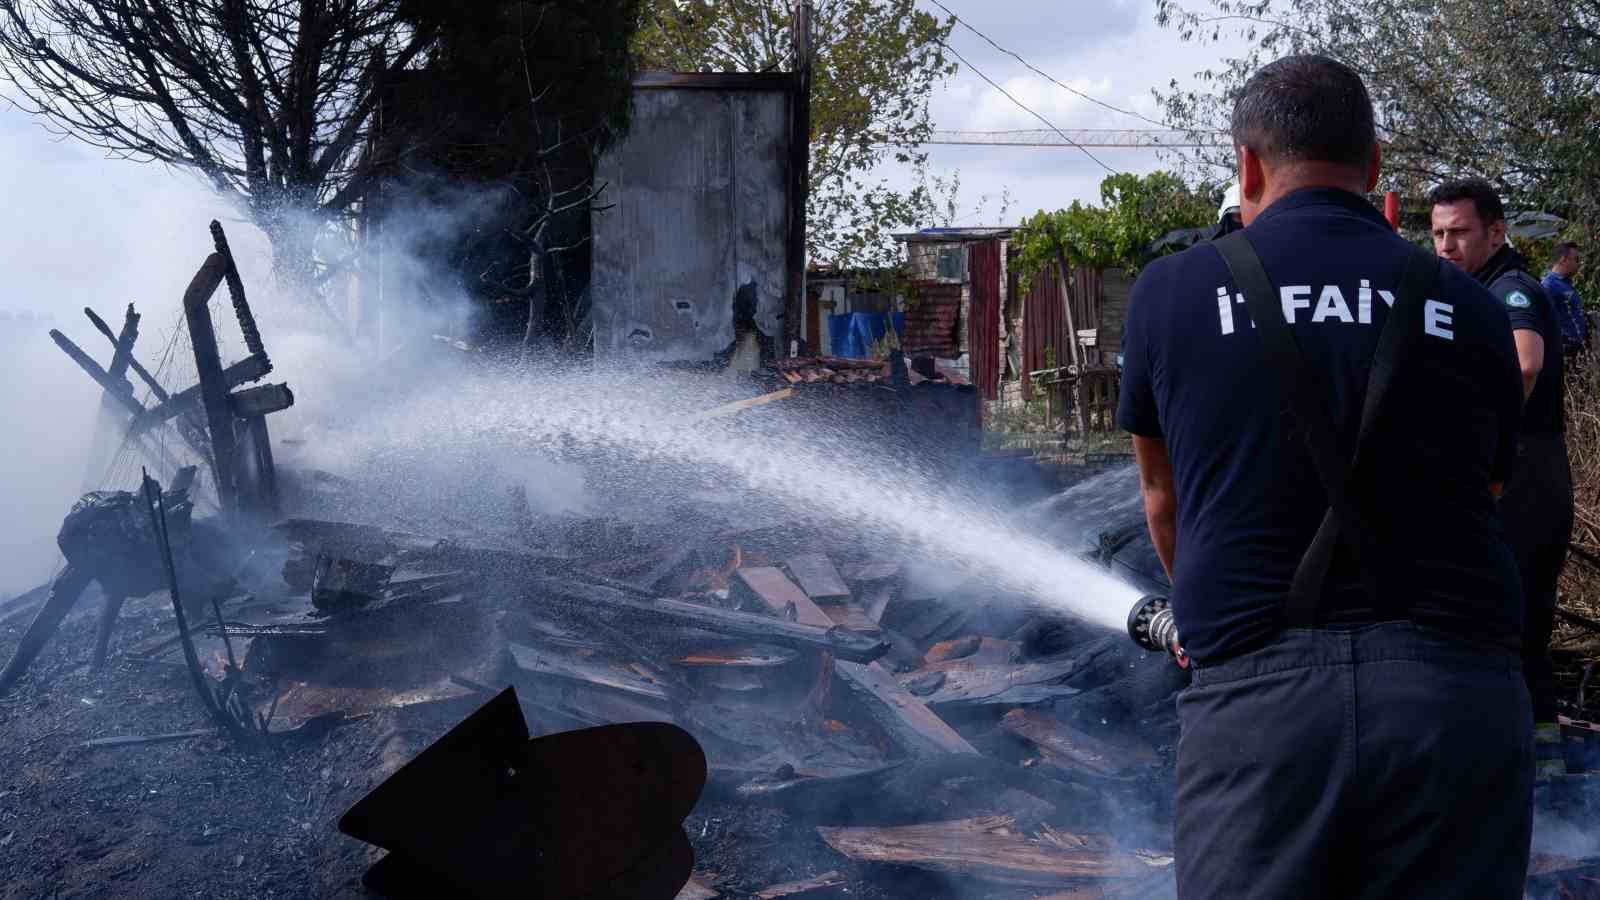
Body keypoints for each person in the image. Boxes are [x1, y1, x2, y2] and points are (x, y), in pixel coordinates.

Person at [1118, 54, 1531, 898]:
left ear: (1247, 165)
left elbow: (1165, 502)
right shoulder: (1477, 310)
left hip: (1256, 720)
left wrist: (1214, 610)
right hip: (1453, 705)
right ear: (1375, 166)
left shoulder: (1170, 295)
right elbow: (1487, 495)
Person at [1431, 179, 1574, 777]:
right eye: (1437, 233)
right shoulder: (1475, 288)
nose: (1445, 246)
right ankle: (1539, 765)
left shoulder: (1511, 287)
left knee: (1504, 618)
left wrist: (1475, 444)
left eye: (1459, 233)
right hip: (1523, 471)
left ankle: (1524, 768)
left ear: (1496, 231)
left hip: (1523, 474)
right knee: (1520, 624)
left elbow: (1525, 362)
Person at [1543, 242, 1587, 355]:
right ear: (1563, 259)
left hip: (1578, 347)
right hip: (1566, 349)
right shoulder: (1549, 285)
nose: (1579, 263)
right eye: (1576, 259)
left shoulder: (1566, 283)